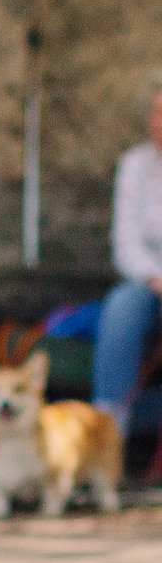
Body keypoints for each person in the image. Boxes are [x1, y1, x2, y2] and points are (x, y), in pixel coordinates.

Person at [94, 73, 162, 437]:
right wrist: (156, 278)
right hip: (151, 287)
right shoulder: (135, 166)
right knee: (123, 304)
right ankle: (108, 434)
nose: (159, 123)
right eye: (156, 113)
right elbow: (126, 243)